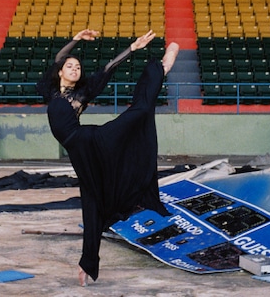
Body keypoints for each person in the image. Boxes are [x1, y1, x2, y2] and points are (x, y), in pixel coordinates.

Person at [35, 28, 179, 286]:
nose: (75, 69)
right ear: (60, 71)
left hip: (91, 141)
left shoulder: (80, 95)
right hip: (79, 154)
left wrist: (132, 49)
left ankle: (158, 70)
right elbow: (59, 55)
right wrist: (76, 40)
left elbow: (108, 67)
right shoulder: (52, 93)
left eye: (78, 67)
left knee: (138, 113)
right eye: (70, 66)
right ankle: (87, 264)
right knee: (91, 205)